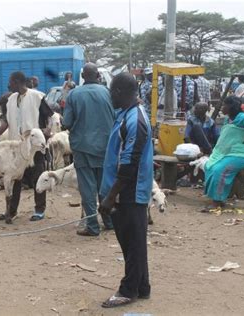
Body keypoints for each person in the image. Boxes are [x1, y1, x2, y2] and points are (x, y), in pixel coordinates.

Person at [98, 72, 153, 308]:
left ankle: (128, 290)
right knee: (134, 242)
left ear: (119, 92)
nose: (109, 95)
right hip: (124, 189)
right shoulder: (127, 115)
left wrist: (111, 196)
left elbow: (129, 163)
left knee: (132, 243)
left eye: (111, 91)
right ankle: (142, 286)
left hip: (128, 191)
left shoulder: (135, 121)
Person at [0, 71, 53, 223]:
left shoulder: (37, 96)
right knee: (14, 179)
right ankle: (11, 211)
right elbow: (5, 122)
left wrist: (48, 130)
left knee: (38, 177)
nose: (9, 85)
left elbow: (49, 116)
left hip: (34, 146)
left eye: (11, 82)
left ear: (17, 82)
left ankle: (39, 210)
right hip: (16, 149)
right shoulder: (11, 100)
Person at [63, 63, 115, 236]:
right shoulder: (107, 93)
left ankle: (92, 225)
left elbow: (67, 122)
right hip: (106, 146)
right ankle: (109, 221)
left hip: (82, 146)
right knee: (104, 186)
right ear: (98, 76)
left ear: (83, 76)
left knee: (87, 188)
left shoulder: (74, 94)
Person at [203, 96, 244, 211]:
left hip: (243, 154)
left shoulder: (241, 117)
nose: (222, 107)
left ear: (231, 107)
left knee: (219, 170)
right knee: (210, 166)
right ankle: (219, 199)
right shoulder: (227, 119)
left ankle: (217, 202)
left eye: (224, 105)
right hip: (229, 153)